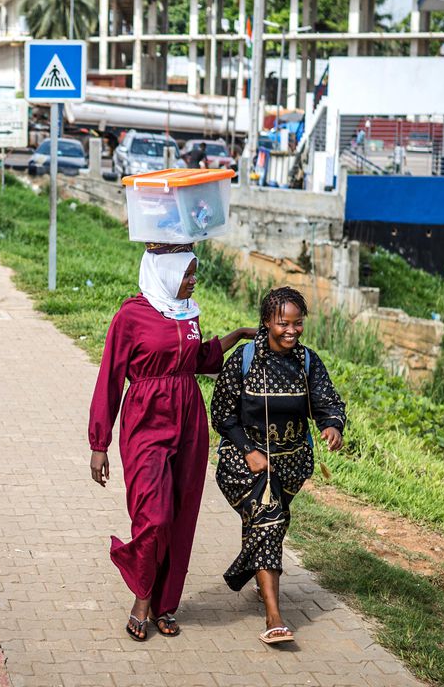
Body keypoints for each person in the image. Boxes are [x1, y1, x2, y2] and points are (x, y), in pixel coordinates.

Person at [90, 248, 260, 642]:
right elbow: (110, 378)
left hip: (188, 421)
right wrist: (100, 442)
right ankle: (143, 597)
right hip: (146, 421)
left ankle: (167, 604)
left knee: (181, 515)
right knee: (155, 515)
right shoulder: (131, 316)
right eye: (187, 274)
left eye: (193, 274)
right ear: (165, 272)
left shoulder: (188, 312)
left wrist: (236, 337)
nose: (192, 281)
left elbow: (196, 359)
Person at [209, 286, 346, 646]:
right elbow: (222, 415)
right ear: (267, 321)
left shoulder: (307, 362)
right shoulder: (243, 360)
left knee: (263, 521)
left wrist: (332, 425)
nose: (291, 330)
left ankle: (252, 570)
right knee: (269, 520)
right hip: (244, 462)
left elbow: (326, 400)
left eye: (298, 323)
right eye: (283, 323)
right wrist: (248, 450)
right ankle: (274, 616)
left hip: (293, 465)